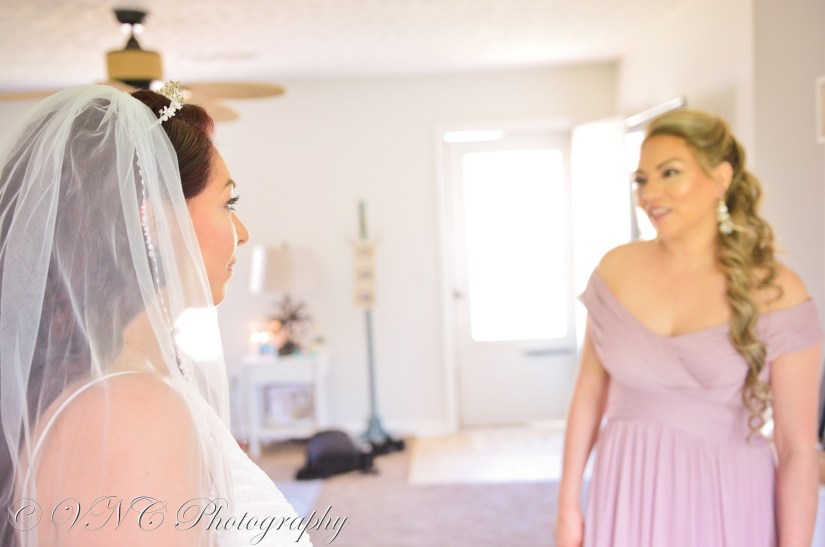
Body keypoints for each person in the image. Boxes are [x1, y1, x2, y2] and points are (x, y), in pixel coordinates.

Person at [0, 84, 313, 546]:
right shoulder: (128, 413)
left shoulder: (130, 385)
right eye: (228, 204)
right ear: (155, 220)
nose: (243, 233)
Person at [555, 109, 822, 547]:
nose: (650, 194)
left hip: (728, 498)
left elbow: (797, 448)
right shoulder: (615, 270)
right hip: (628, 488)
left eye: (670, 173)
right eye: (641, 180)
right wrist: (568, 506)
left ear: (720, 178)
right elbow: (589, 395)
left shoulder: (778, 292)